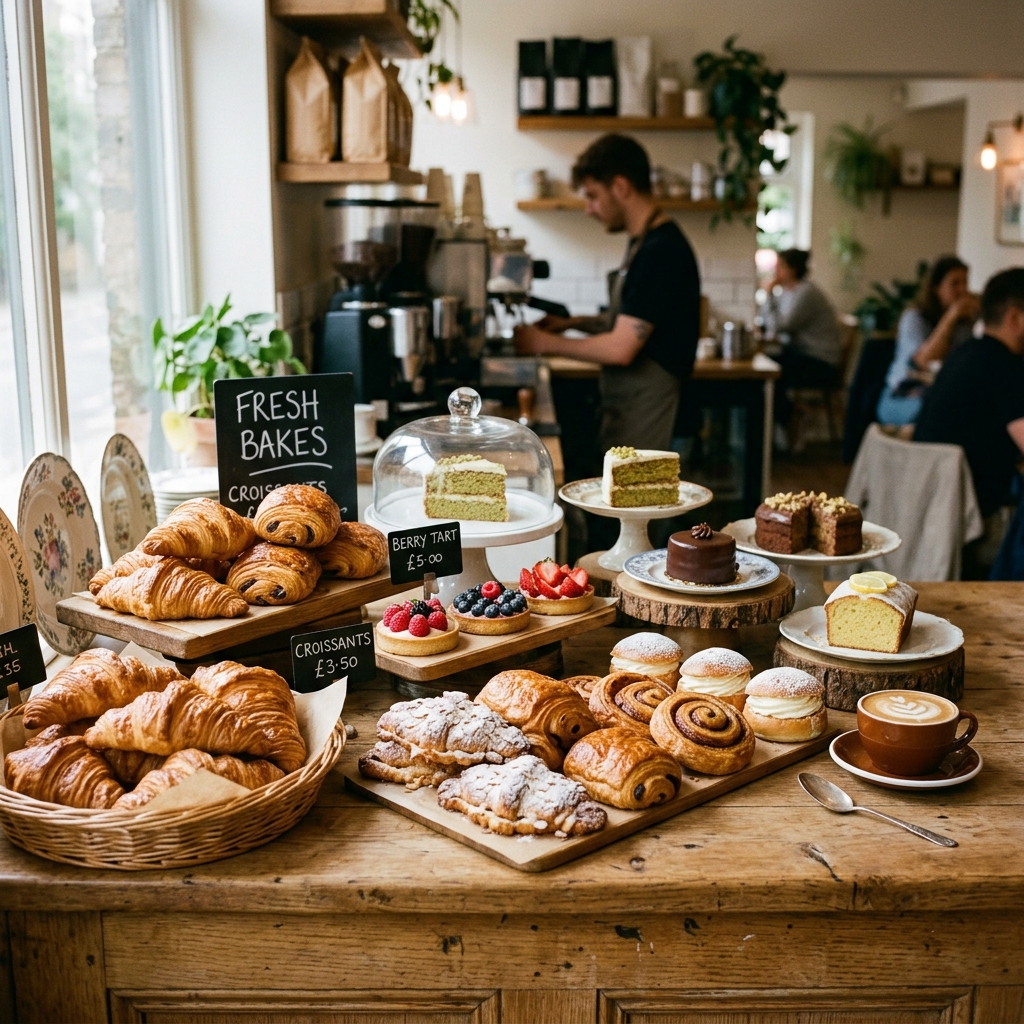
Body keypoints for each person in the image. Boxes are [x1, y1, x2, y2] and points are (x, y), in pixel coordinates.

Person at [512, 133, 701, 452]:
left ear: (621, 187)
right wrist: (571, 323)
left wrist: (543, 343)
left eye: (593, 196)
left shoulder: (662, 250)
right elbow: (633, 318)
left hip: (652, 412)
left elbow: (620, 348)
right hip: (630, 406)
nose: (589, 209)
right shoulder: (642, 243)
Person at [914, 267, 1024, 520]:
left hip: (928, 506)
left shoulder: (963, 354)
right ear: (1015, 318)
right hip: (971, 515)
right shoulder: (1008, 368)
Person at [876, 255, 979, 427]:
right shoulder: (914, 318)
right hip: (901, 396)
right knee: (939, 414)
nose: (963, 290)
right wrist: (950, 318)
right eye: (955, 284)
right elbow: (922, 363)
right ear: (936, 288)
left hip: (938, 395)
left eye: (965, 283)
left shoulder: (965, 325)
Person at [760, 248, 842, 430]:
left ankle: (790, 420)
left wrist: (768, 295)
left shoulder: (806, 293)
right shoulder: (789, 292)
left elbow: (782, 326)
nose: (776, 272)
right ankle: (788, 418)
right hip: (803, 354)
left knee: (771, 373)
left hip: (821, 362)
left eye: (780, 266)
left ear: (793, 269)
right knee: (767, 364)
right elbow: (773, 324)